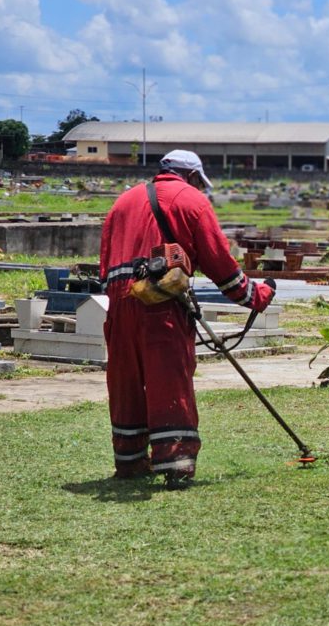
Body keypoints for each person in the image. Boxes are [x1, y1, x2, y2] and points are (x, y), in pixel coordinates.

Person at [99, 150, 275, 489]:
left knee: (125, 383)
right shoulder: (191, 200)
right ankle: (175, 462)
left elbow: (105, 263)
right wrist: (257, 296)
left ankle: (130, 460)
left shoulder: (122, 202)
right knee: (170, 382)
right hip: (161, 303)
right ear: (192, 177)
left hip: (120, 304)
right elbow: (219, 262)